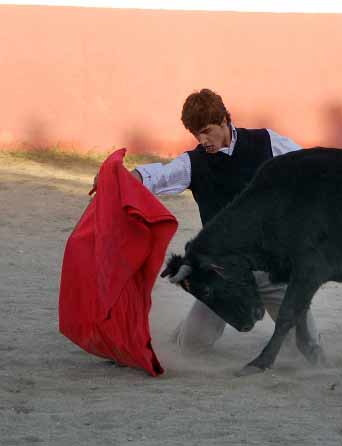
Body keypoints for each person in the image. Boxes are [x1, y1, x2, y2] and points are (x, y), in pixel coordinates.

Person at [95, 88, 319, 353]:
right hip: (223, 272)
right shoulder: (195, 163)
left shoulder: (266, 142)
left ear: (225, 120)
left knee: (307, 350)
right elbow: (160, 176)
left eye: (208, 130)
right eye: (196, 134)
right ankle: (176, 337)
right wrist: (122, 179)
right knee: (190, 346)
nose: (203, 140)